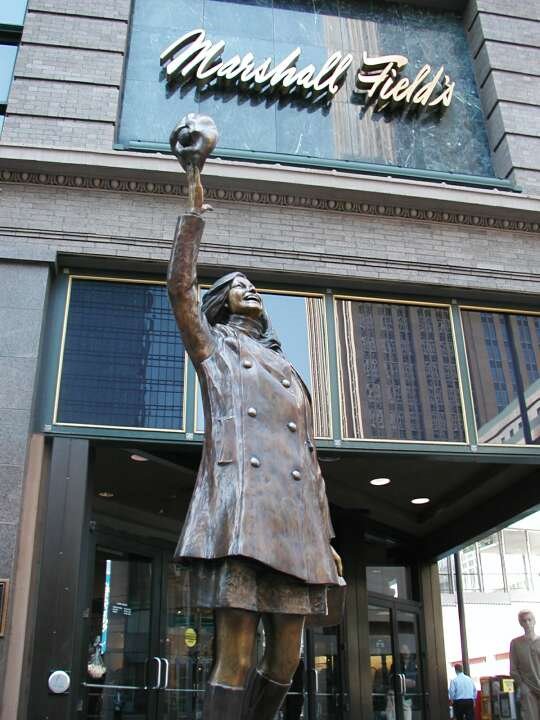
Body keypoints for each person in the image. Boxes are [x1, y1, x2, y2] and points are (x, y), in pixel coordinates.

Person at [167, 113, 343, 720]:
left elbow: (310, 461)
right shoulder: (215, 351)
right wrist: (195, 183)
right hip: (244, 517)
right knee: (236, 655)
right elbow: (181, 290)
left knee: (289, 657)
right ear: (222, 303)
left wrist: (326, 535)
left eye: (254, 286)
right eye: (239, 286)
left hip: (294, 527)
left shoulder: (288, 367)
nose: (252, 290)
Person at [510, 610, 540, 720]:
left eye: (529, 620)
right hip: (528, 689)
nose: (527, 623)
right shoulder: (515, 643)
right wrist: (522, 686)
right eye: (524, 621)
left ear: (534, 621)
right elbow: (513, 669)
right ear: (520, 623)